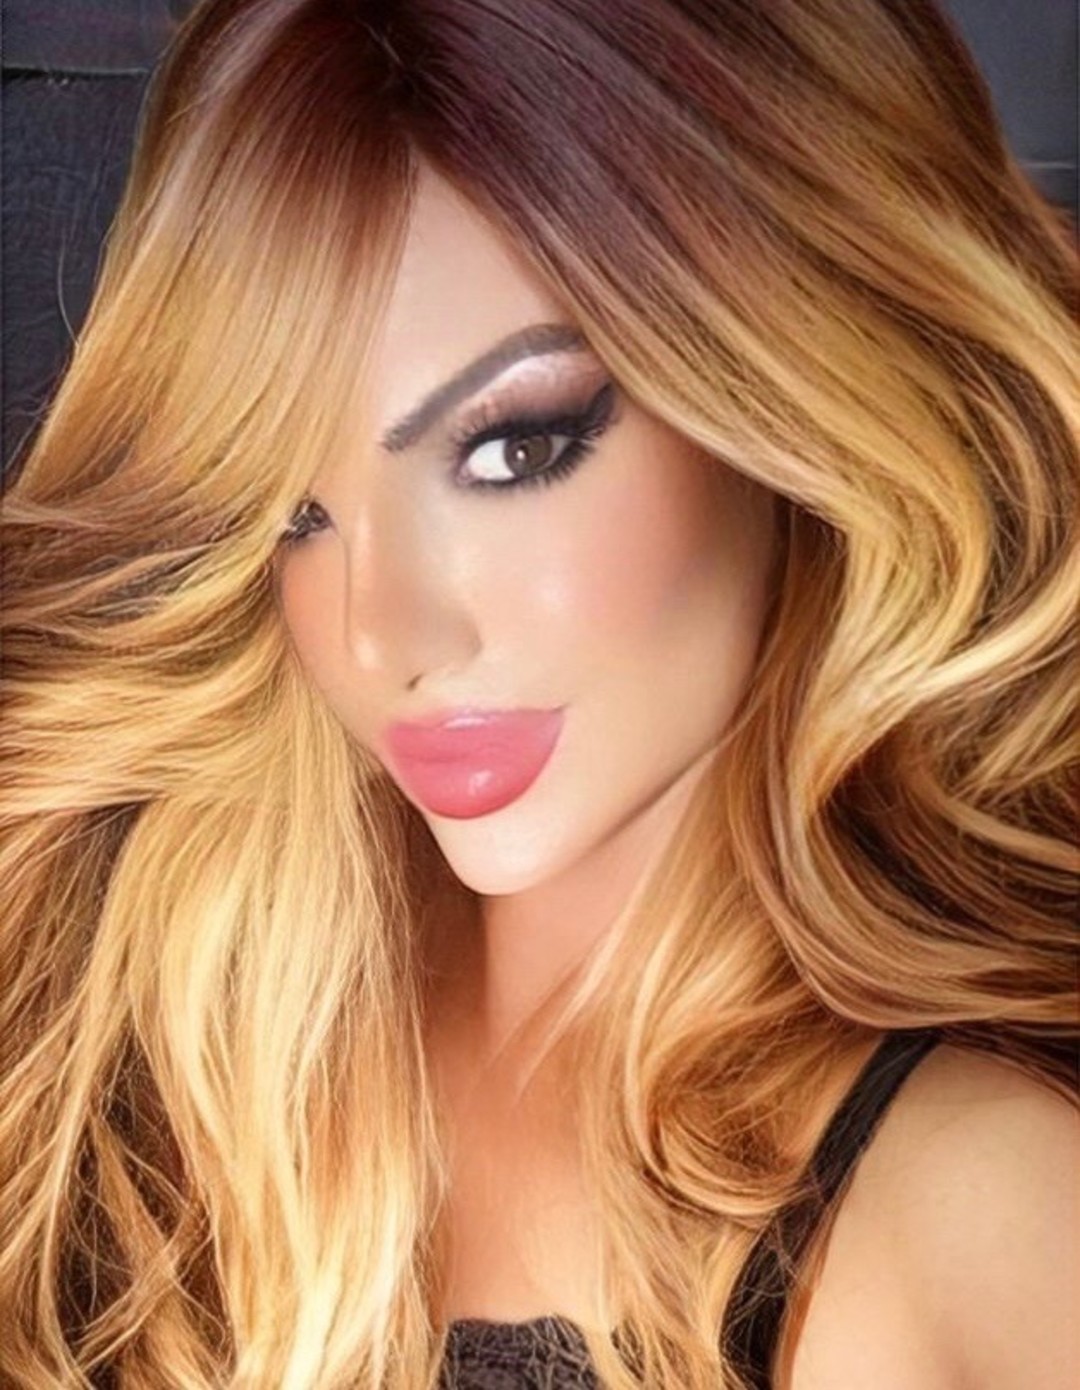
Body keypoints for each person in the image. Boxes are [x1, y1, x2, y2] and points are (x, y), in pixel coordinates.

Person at [2, 1, 1077, 1386]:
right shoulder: (169, 1037)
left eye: (514, 450)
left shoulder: (976, 1218)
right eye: (291, 508)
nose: (388, 633)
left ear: (783, 392)